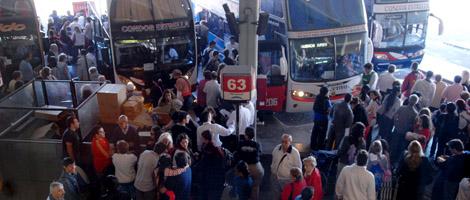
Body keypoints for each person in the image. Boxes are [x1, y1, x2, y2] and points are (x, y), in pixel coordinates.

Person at [270, 134, 302, 198]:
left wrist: (295, 180)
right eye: (282, 141)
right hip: (275, 178)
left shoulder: (295, 153)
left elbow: (298, 167)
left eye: (286, 142)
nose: (283, 144)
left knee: (286, 196)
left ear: (290, 142)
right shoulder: (276, 149)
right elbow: (273, 161)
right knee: (275, 195)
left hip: (287, 180)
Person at [236, 127, 264, 200]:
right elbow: (260, 153)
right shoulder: (257, 144)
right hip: (255, 167)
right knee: (255, 187)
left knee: (241, 187)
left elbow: (237, 153)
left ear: (245, 135)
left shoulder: (240, 143)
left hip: (243, 167)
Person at [390, 94, 419, 164]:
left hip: (397, 129)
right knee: (401, 148)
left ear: (409, 99)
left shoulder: (402, 108)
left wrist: (395, 124)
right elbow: (413, 125)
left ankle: (390, 160)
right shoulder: (415, 113)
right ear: (416, 102)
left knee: (393, 145)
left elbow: (395, 116)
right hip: (405, 133)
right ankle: (396, 162)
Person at [198, 131, 226, 200]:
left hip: (211, 172)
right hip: (209, 172)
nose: (201, 139)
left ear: (206, 138)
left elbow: (210, 158)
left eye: (202, 138)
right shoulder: (208, 146)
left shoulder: (211, 147)